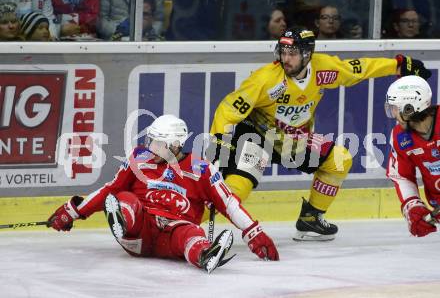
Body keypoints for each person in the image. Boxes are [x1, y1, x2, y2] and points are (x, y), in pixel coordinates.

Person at [208, 27, 431, 241]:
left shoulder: (323, 69)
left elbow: (359, 69)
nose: (286, 59)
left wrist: (397, 65)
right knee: (237, 188)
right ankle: (186, 221)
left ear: (307, 54)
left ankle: (311, 218)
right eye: (283, 52)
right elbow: (228, 110)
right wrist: (219, 143)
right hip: (256, 137)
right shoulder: (265, 79)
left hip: (292, 142)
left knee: (339, 159)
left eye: (292, 53)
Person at [48, 114, 279, 273]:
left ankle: (204, 255)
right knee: (124, 199)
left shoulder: (202, 169)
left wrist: (253, 233)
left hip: (173, 234)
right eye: (151, 141)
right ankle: (121, 220)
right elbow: (110, 188)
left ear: (176, 145)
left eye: (159, 143)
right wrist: (74, 211)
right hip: (139, 234)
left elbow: (229, 203)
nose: (152, 148)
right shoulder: (139, 158)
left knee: (190, 233)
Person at [385, 75, 440, 237]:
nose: (393, 113)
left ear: (409, 108)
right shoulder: (399, 137)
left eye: (395, 108)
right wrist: (412, 206)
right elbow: (402, 176)